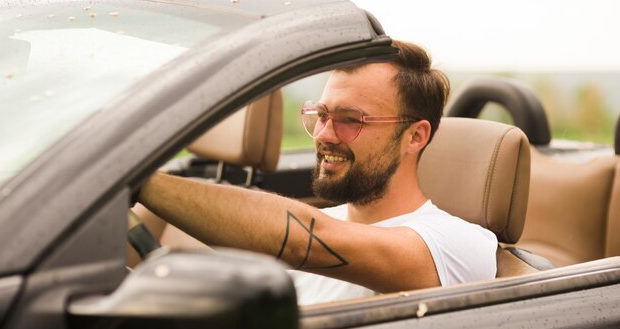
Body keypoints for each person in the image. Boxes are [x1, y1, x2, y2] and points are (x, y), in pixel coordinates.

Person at [136, 40, 497, 305]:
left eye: (350, 120)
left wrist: (138, 180)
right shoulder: (330, 219)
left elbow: (299, 239)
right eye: (321, 115)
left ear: (414, 136)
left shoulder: (457, 244)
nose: (324, 134)